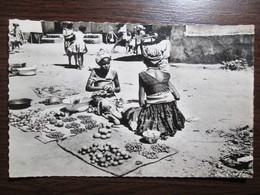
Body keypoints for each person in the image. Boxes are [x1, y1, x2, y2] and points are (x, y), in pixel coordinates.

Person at [135, 46, 185, 140]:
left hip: (153, 108)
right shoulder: (166, 74)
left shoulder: (143, 75)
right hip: (170, 108)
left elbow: (141, 102)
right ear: (159, 61)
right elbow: (177, 96)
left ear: (145, 61)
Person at [85, 49, 123, 124]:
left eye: (108, 63)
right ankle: (109, 115)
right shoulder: (94, 72)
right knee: (104, 103)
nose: (106, 66)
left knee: (117, 109)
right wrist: (101, 88)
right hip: (98, 96)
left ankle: (111, 113)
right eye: (103, 64)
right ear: (99, 64)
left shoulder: (113, 72)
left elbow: (118, 89)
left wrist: (113, 89)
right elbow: (87, 87)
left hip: (110, 95)